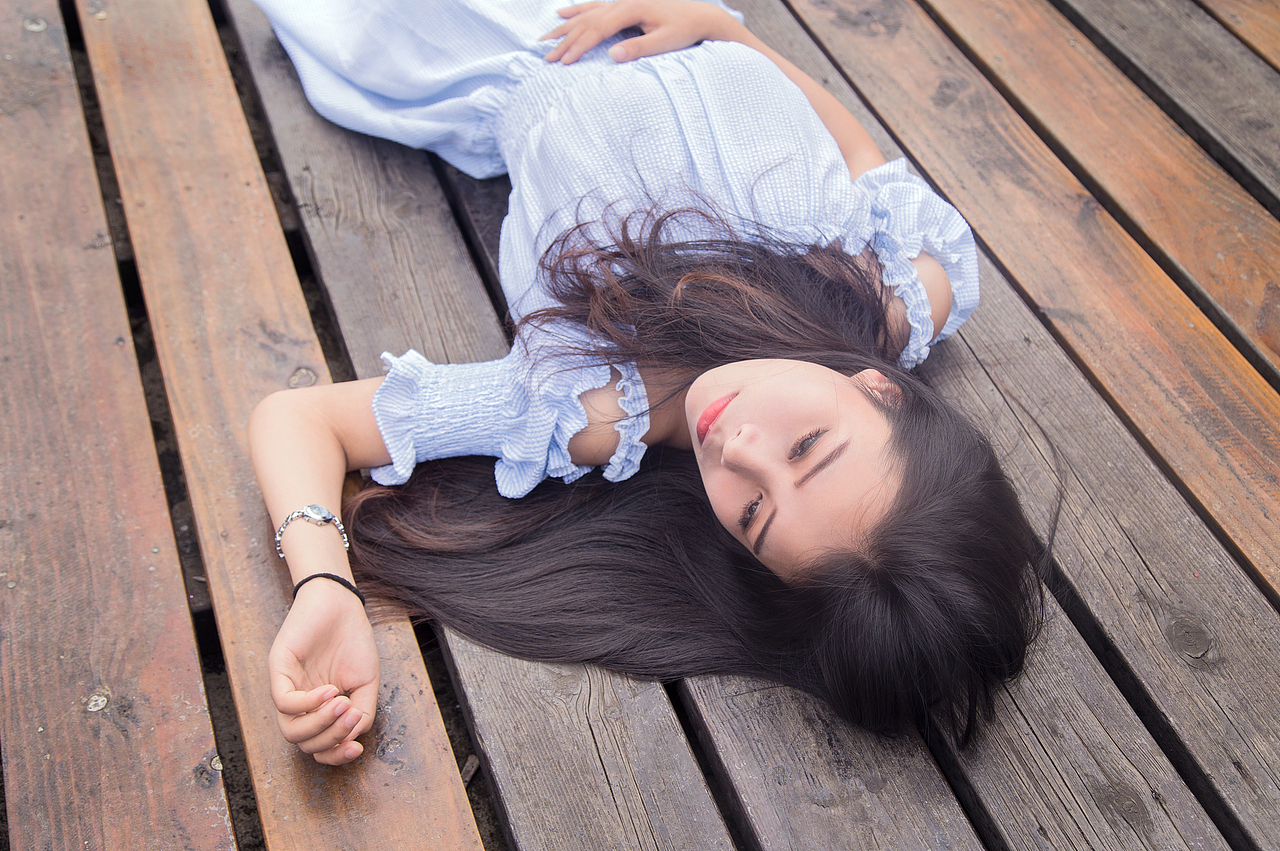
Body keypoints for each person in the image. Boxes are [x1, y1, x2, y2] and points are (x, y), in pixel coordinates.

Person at [248, 0, 1051, 766]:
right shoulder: (909, 284)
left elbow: (302, 420)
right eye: (807, 446)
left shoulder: (591, 404)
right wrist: (725, 33)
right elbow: (860, 155)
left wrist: (322, 583)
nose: (737, 448)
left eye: (755, 511)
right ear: (885, 392)